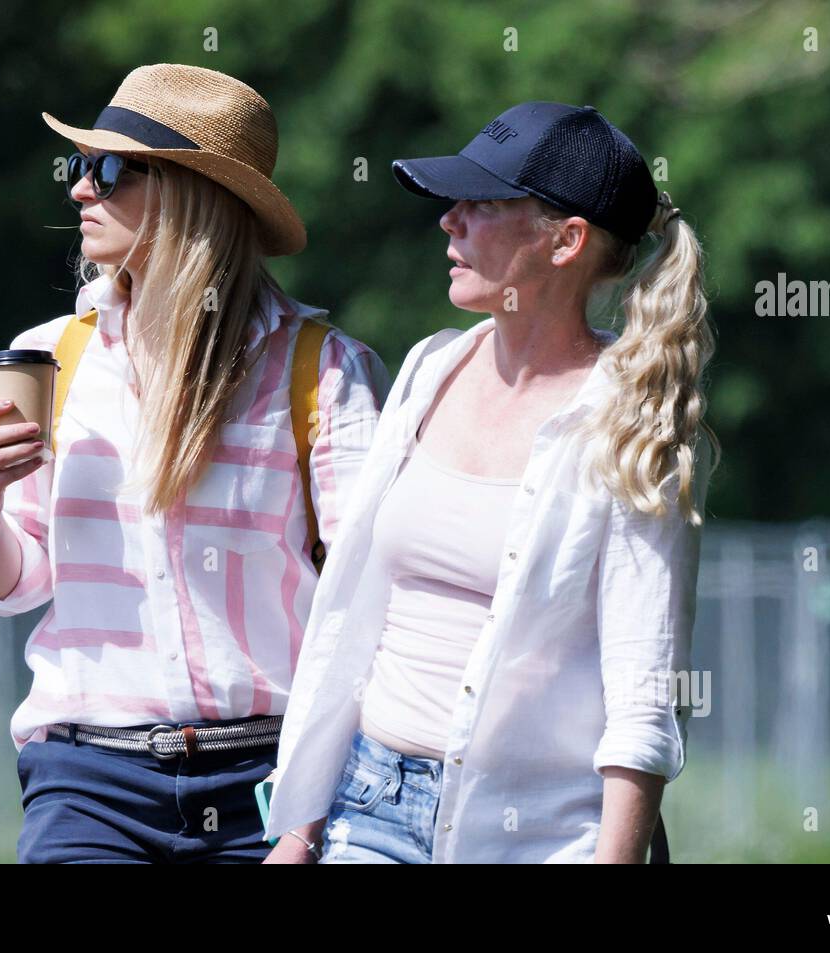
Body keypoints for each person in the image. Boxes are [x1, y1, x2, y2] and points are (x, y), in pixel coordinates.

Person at [0, 63, 388, 863]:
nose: (79, 190)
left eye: (108, 170)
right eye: (82, 167)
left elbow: (366, 609)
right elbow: (17, 582)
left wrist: (305, 824)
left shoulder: (323, 372)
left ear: (189, 193)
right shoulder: (51, 358)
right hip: (87, 781)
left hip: (270, 783)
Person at [263, 101, 720, 863]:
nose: (451, 222)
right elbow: (355, 611)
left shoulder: (634, 424)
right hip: (366, 809)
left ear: (566, 239)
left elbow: (643, 695)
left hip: (537, 838)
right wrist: (298, 829)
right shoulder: (429, 367)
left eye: (482, 203)